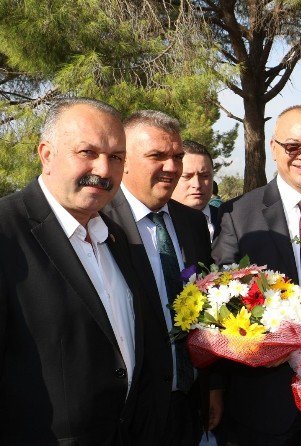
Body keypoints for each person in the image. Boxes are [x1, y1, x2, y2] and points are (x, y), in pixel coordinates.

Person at [0, 98, 165, 444]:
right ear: (46, 154)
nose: (104, 170)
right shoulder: (6, 231)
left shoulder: (117, 238)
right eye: (87, 152)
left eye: (116, 157)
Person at [211, 105, 301, 445]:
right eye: (293, 146)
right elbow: (217, 305)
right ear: (274, 149)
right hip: (265, 401)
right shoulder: (238, 214)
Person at [103, 110, 221, 445]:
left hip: (189, 405)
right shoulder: (99, 225)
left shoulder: (192, 223)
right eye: (157, 156)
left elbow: (204, 313)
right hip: (129, 413)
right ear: (124, 161)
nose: (171, 167)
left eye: (177, 157)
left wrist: (212, 385)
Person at [172, 140, 221, 241]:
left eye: (205, 176)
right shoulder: (155, 223)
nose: (197, 185)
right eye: (187, 176)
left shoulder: (230, 221)